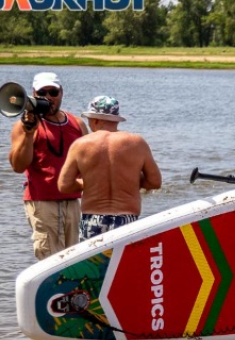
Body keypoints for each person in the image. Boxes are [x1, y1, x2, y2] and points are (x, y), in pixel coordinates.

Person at [9, 72, 88, 259]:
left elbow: (88, 163)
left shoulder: (77, 123)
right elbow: (18, 166)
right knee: (50, 259)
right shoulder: (24, 126)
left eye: (53, 92)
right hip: (42, 201)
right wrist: (29, 133)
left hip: (72, 201)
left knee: (75, 259)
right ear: (34, 94)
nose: (48, 97)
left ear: (61, 93)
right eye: (42, 93)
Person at [58, 96, 162, 240]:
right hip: (127, 220)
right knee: (125, 256)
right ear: (116, 120)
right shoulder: (137, 143)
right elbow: (155, 182)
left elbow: (64, 185)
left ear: (95, 120)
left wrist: (87, 183)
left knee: (94, 256)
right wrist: (131, 181)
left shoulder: (80, 145)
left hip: (92, 219)